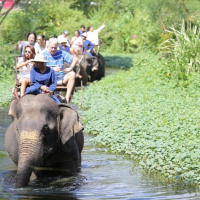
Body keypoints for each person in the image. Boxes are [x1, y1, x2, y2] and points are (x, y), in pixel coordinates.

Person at [43, 38, 78, 104]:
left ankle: (67, 98)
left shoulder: (61, 53)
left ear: (57, 47)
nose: (53, 49)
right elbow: (41, 67)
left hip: (61, 77)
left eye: (55, 48)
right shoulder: (44, 54)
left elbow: (75, 59)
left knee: (72, 74)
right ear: (48, 47)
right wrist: (52, 69)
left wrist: (70, 68)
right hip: (49, 79)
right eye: (52, 47)